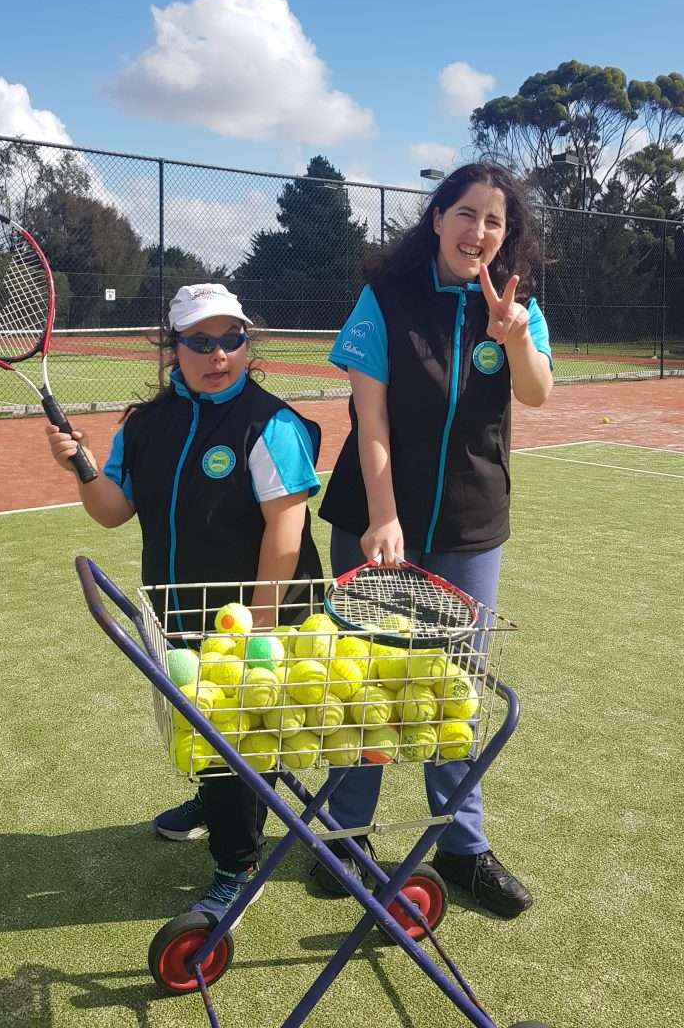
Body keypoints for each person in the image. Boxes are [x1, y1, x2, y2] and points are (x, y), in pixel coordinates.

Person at [317, 161, 553, 918]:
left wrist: (513, 336)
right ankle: (346, 834)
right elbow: (370, 418)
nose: (478, 231)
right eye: (466, 213)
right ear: (438, 217)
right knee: (368, 680)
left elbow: (536, 391)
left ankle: (461, 846)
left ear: (506, 234)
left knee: (457, 688)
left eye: (494, 220)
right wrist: (383, 516)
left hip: (470, 525)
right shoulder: (386, 297)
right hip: (375, 519)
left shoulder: (518, 306)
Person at [46, 282, 322, 924]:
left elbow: (285, 531)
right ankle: (218, 800)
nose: (218, 353)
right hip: (178, 613)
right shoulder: (146, 426)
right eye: (201, 340)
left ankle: (237, 868)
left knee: (238, 733)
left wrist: (259, 623)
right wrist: (82, 466)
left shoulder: (271, 422)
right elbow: (111, 512)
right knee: (208, 731)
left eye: (232, 338)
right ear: (175, 348)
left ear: (249, 345)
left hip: (259, 616)